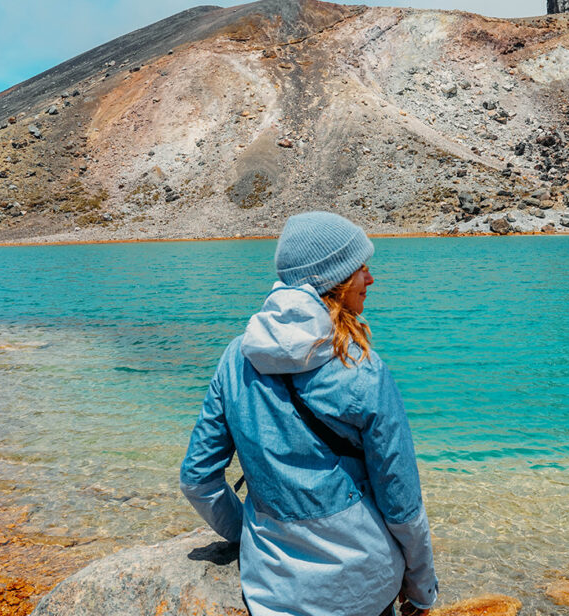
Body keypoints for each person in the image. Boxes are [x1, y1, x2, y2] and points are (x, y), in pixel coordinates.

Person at [180, 211, 438, 616]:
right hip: (364, 588)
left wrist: (247, 533)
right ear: (334, 281)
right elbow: (402, 505)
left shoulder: (235, 359)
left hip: (272, 591)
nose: (370, 279)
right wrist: (422, 589)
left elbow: (198, 479)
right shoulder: (363, 370)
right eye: (362, 269)